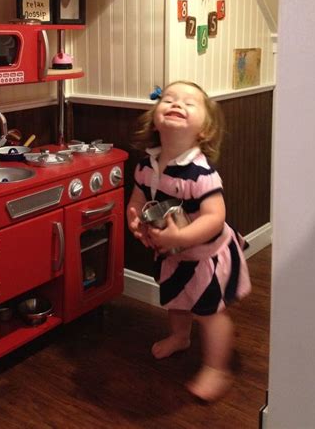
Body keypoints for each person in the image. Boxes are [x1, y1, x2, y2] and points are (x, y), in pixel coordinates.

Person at [127, 81, 251, 402]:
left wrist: (180, 236)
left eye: (188, 102)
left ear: (204, 129)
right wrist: (134, 220)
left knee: (209, 312)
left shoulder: (201, 173)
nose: (176, 104)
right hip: (173, 253)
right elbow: (137, 200)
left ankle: (216, 368)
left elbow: (215, 217)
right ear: (155, 119)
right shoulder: (146, 165)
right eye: (168, 99)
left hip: (206, 256)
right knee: (177, 300)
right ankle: (180, 337)